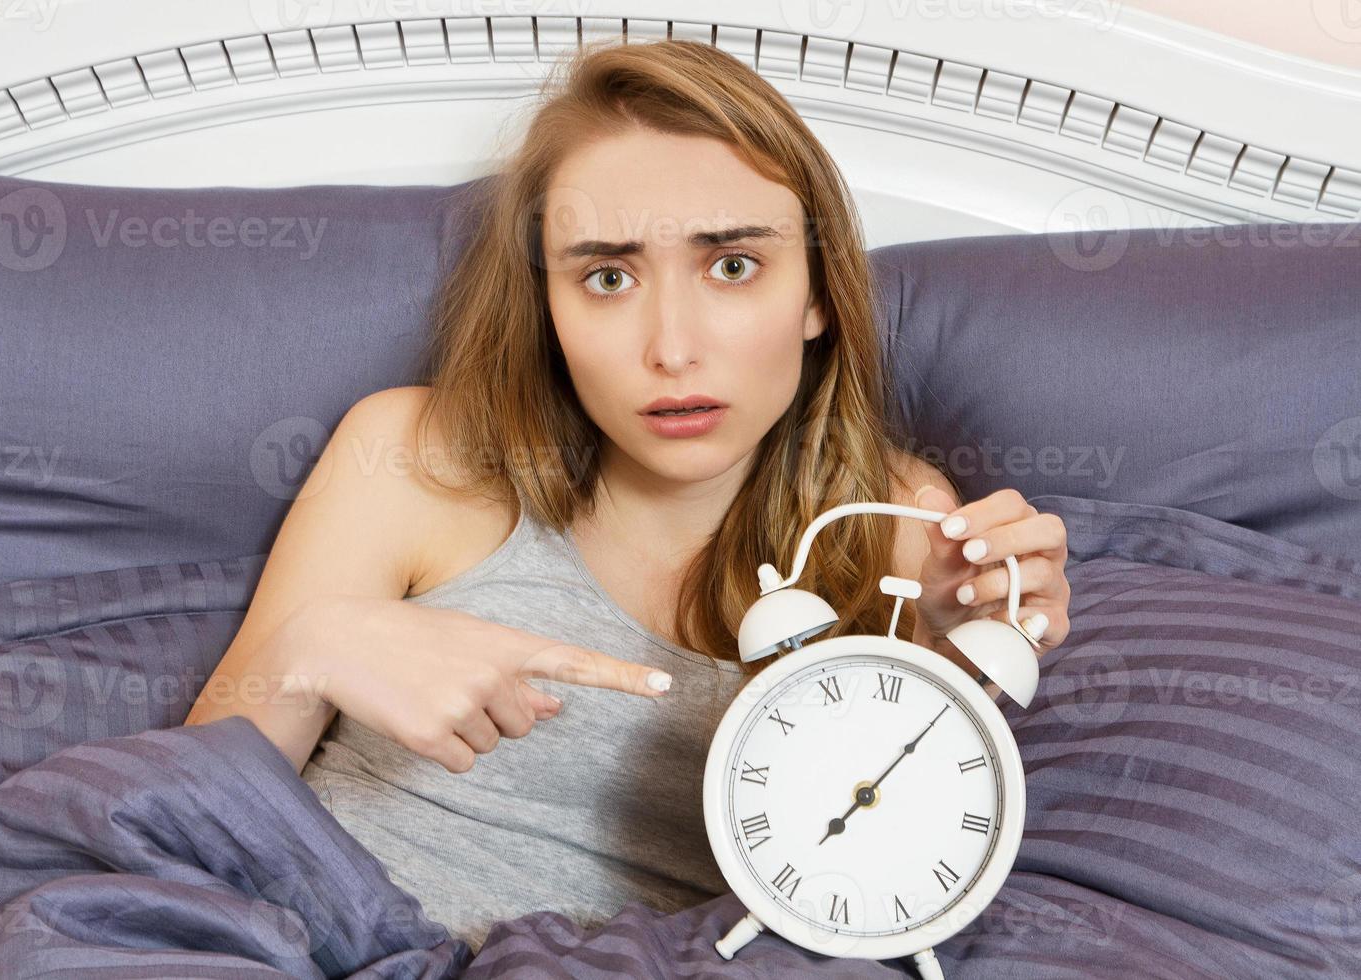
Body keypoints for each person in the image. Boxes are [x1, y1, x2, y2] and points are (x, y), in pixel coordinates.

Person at [184, 37, 1071, 954]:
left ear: (818, 295)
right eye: (608, 278)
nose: (672, 349)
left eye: (732, 265)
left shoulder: (896, 522)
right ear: (549, 309)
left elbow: (900, 860)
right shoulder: (412, 454)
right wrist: (313, 647)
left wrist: (953, 653)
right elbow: (186, 817)